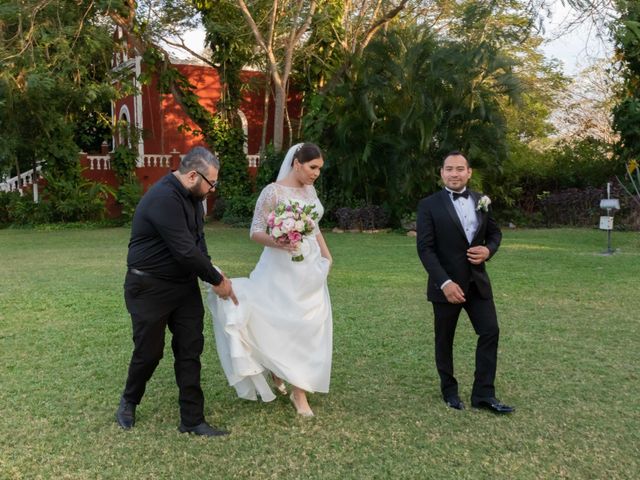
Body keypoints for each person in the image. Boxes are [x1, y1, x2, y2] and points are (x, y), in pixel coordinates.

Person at [115, 146, 238, 436]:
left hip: (183, 287)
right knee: (149, 352)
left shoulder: (194, 197)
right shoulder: (163, 198)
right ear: (194, 175)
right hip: (148, 287)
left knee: (190, 348)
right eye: (212, 183)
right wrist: (218, 281)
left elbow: (198, 243)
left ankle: (192, 420)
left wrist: (212, 272)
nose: (213, 189)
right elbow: (184, 251)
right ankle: (129, 401)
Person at [208, 142, 333, 417]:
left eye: (320, 169)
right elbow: (255, 231)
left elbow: (315, 226)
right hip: (280, 267)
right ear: (297, 163)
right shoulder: (272, 191)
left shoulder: (310, 190)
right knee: (283, 321)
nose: (316, 174)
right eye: (313, 168)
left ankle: (299, 386)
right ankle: (288, 381)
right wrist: (282, 241)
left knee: (311, 324)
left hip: (310, 267)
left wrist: (327, 256)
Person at [416, 151, 514, 414]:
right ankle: (449, 391)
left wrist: (488, 251)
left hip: (478, 282)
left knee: (490, 331)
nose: (454, 174)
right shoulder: (429, 205)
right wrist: (445, 283)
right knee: (444, 339)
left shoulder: (482, 200)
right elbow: (425, 249)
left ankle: (483, 394)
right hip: (446, 287)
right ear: (442, 173)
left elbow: (494, 233)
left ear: (469, 172)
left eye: (460, 169)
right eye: (449, 169)